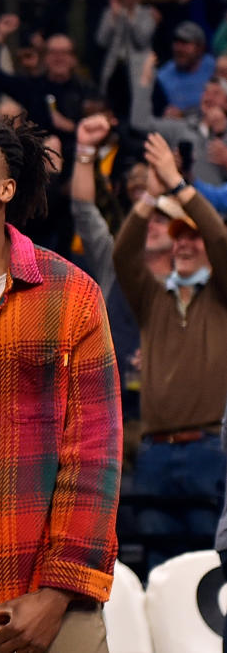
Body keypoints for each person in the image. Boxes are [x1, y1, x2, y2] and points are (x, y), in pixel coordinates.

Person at [0, 117, 120, 652]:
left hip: (44, 595)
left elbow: (95, 455)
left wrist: (56, 595)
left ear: (6, 189)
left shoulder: (69, 295)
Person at [112, 131, 227, 564]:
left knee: (211, 572)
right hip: (157, 452)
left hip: (210, 451)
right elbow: (125, 255)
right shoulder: (153, 296)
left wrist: (181, 188)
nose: (183, 242)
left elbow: (220, 238)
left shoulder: (221, 295)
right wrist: (152, 197)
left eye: (193, 237)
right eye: (178, 236)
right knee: (157, 573)